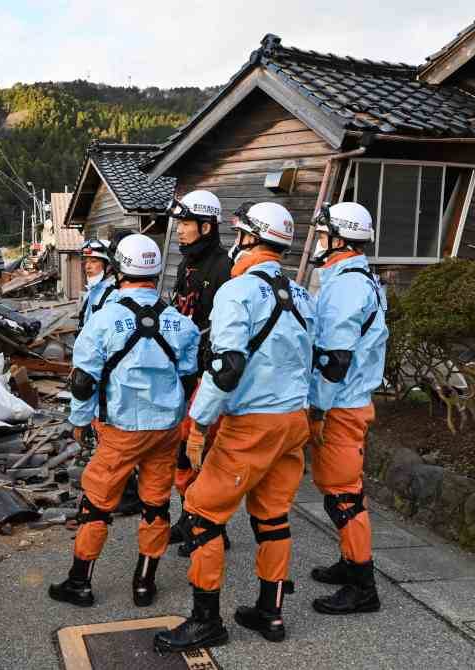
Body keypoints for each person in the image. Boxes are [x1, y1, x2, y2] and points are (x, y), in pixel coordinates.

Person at [155, 202, 314, 653]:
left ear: (246, 238)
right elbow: (316, 362)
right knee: (272, 515)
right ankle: (271, 612)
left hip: (252, 423)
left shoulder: (237, 291)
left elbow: (225, 369)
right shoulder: (302, 294)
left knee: (202, 516)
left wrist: (200, 422)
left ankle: (207, 621)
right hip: (293, 420)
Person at [50, 234, 200, 608]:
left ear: (117, 270)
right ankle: (144, 584)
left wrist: (80, 422)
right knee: (156, 504)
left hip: (121, 428)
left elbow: (84, 381)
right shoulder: (179, 323)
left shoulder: (103, 321)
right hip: (165, 429)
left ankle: (80, 582)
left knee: (98, 504)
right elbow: (188, 375)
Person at [306, 201, 388, 615]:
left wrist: (316, 409)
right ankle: (348, 561)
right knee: (338, 491)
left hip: (340, 404)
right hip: (350, 400)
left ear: (339, 238)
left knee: (344, 497)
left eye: (323, 235)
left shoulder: (346, 286)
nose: (319, 242)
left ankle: (363, 585)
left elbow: (334, 359)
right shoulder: (359, 278)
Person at [165, 190, 233, 546]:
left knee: (203, 453)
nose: (179, 231)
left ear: (206, 226)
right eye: (179, 224)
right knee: (182, 453)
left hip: (209, 374)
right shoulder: (184, 264)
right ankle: (187, 516)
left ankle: (211, 527)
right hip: (184, 372)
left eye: (186, 223)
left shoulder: (225, 267)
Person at [77, 239, 118, 330]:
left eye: (94, 261)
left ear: (109, 265)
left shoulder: (114, 296)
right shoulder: (93, 290)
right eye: (86, 262)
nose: (87, 266)